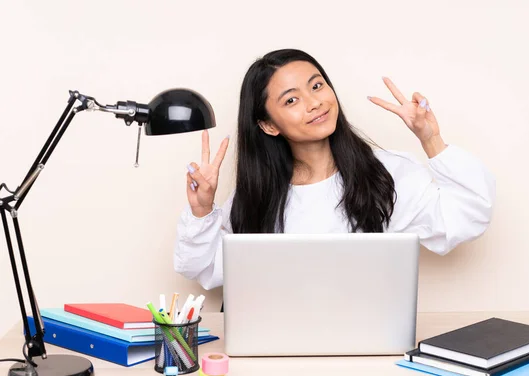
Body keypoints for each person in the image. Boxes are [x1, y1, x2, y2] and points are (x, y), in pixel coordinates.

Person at [173, 49, 496, 291]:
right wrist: (201, 212)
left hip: (369, 340)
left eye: (317, 86)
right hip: (279, 345)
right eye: (291, 100)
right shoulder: (259, 195)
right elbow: (207, 271)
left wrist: (431, 138)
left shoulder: (389, 174)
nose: (314, 103)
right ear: (268, 125)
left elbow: (466, 220)